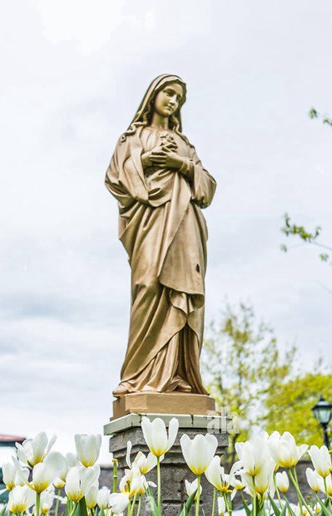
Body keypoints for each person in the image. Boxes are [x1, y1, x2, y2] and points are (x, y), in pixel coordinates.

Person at [105, 74, 217, 396]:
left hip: (185, 225)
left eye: (179, 98)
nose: (173, 101)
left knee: (182, 293)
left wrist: (180, 164)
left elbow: (208, 189)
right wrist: (146, 160)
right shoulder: (132, 138)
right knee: (149, 285)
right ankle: (138, 376)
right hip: (151, 220)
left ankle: (179, 376)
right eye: (169, 93)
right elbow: (115, 178)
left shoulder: (185, 145)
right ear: (153, 94)